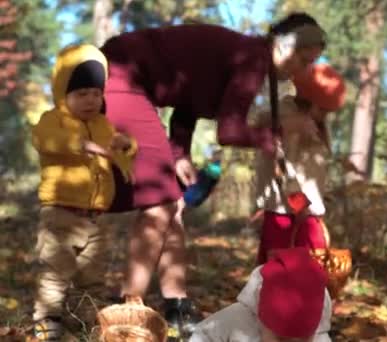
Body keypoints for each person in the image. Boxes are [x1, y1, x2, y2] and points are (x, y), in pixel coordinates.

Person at [99, 12, 327, 337]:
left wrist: (179, 155)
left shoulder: (248, 55)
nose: (301, 70)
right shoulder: (252, 59)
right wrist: (269, 138)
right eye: (303, 59)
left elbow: (186, 100)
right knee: (160, 205)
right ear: (283, 44)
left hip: (130, 77)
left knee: (173, 205)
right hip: (122, 75)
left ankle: (176, 305)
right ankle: (128, 306)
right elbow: (229, 131)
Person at [30, 44, 136, 341]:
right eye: (81, 94)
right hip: (61, 213)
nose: (90, 100)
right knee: (55, 272)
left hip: (96, 217)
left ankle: (87, 320)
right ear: (64, 93)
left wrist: (126, 146)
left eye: (95, 93)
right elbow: (46, 140)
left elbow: (118, 150)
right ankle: (47, 322)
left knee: (94, 275)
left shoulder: (103, 124)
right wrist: (81, 143)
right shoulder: (53, 120)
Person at [254, 63, 346, 264]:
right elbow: (282, 166)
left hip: (304, 211)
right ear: (310, 101)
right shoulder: (290, 121)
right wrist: (299, 203)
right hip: (289, 212)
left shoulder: (311, 123)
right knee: (283, 274)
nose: (326, 115)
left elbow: (312, 170)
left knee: (308, 272)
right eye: (324, 110)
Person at [189, 247, 332, 342]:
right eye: (281, 340)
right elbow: (203, 335)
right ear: (262, 317)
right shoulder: (239, 319)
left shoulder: (320, 336)